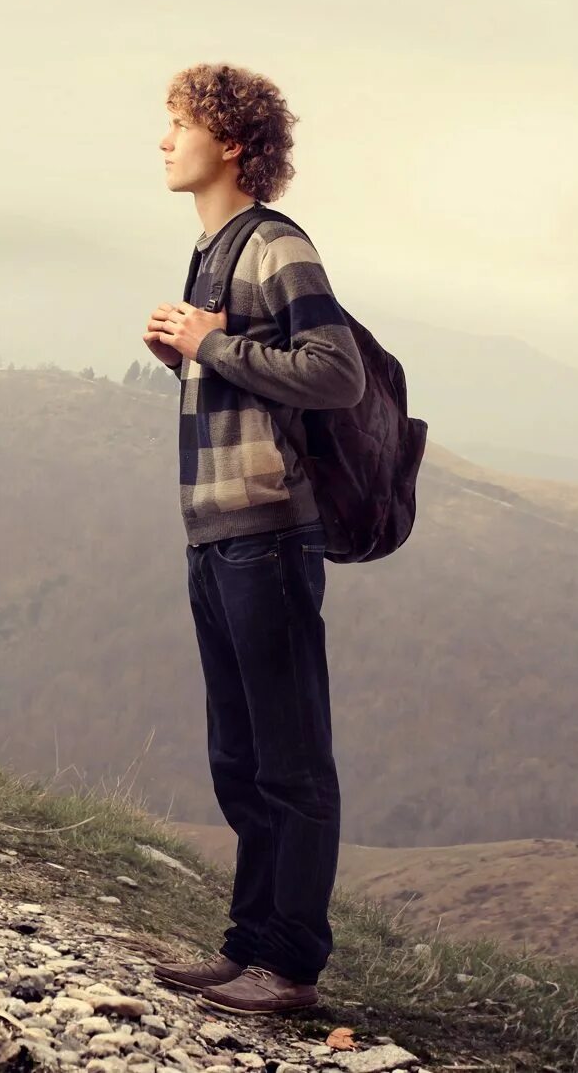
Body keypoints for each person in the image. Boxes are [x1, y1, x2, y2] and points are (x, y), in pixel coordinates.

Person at [141, 62, 368, 1017]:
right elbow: (251, 372)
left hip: (268, 536)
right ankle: (247, 951)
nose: (162, 140)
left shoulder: (275, 244)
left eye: (178, 123)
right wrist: (188, 354)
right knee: (238, 757)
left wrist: (208, 346)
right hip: (215, 533)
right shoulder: (210, 252)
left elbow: (335, 372)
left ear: (229, 142)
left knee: (290, 759)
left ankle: (292, 968)